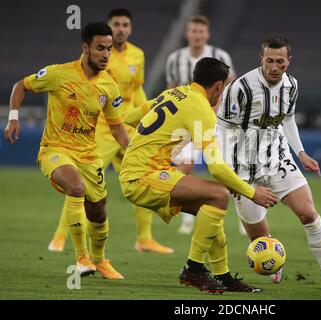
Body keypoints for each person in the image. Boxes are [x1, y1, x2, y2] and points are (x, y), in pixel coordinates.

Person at [120, 57, 278, 293]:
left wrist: (156, 144)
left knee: (212, 218)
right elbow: (215, 167)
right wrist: (252, 192)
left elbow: (131, 118)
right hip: (142, 176)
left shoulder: (173, 93)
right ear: (217, 86)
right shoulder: (202, 109)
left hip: (143, 171)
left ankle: (223, 276)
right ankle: (193, 268)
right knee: (219, 195)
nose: (221, 93)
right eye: (223, 88)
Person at [216, 35, 321, 291]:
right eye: (269, 61)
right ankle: (275, 260)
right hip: (244, 168)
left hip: (279, 159)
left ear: (289, 61)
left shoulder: (292, 85)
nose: (274, 67)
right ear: (261, 59)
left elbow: (287, 120)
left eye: (280, 62)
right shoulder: (240, 88)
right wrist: (228, 173)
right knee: (259, 239)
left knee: (308, 213)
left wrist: (301, 153)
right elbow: (222, 129)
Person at [4, 22, 130, 279]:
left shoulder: (109, 86)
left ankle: (100, 260)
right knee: (75, 187)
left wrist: (135, 153)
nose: (106, 54)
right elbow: (21, 86)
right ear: (85, 47)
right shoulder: (58, 74)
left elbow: (117, 129)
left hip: (88, 154)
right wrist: (13, 117)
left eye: (109, 49)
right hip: (55, 149)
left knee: (98, 210)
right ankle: (81, 258)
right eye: (100, 49)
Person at [48, 9, 173, 255]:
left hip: (124, 127)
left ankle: (144, 239)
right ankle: (60, 237)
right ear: (108, 26)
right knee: (80, 184)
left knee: (142, 178)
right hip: (100, 130)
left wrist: (146, 114)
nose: (121, 29)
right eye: (116, 24)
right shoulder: (96, 55)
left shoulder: (138, 55)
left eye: (125, 24)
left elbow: (136, 90)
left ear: (131, 28)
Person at [165, 15, 241, 235]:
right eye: (194, 31)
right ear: (187, 34)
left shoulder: (220, 56)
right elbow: (172, 90)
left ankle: (241, 214)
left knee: (226, 167)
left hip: (217, 121)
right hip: (187, 124)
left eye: (201, 32)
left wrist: (216, 112)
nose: (197, 35)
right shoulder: (174, 59)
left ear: (207, 35)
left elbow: (230, 87)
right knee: (185, 166)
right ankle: (187, 216)